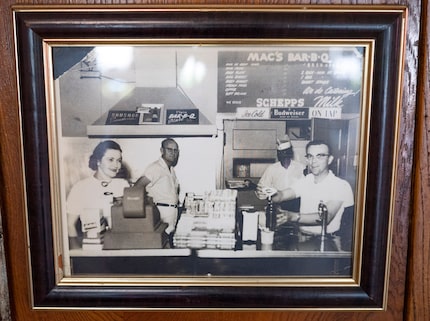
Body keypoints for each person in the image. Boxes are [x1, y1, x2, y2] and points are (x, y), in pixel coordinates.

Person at [257, 139, 354, 241]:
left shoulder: (340, 185)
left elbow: (326, 217)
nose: (314, 161)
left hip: (327, 240)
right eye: (310, 156)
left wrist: (292, 216)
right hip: (302, 237)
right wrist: (269, 193)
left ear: (329, 159)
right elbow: (282, 195)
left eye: (320, 156)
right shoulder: (306, 181)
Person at [66, 140, 130, 249]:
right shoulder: (80, 187)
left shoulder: (123, 185)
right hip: (92, 247)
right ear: (98, 161)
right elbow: (69, 224)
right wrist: (76, 252)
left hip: (121, 246)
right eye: (111, 160)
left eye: (119, 160)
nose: (116, 165)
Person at [134, 138, 180, 240]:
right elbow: (137, 187)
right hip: (161, 213)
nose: (173, 153)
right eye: (169, 149)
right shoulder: (155, 167)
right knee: (160, 244)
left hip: (171, 213)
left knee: (168, 243)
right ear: (162, 151)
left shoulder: (171, 169)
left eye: (175, 150)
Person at [256, 135, 305, 211]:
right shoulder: (272, 169)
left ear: (290, 154)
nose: (284, 157)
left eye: (286, 154)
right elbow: (262, 187)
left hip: (296, 206)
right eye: (281, 154)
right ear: (278, 155)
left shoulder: (301, 168)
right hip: (277, 205)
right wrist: (266, 194)